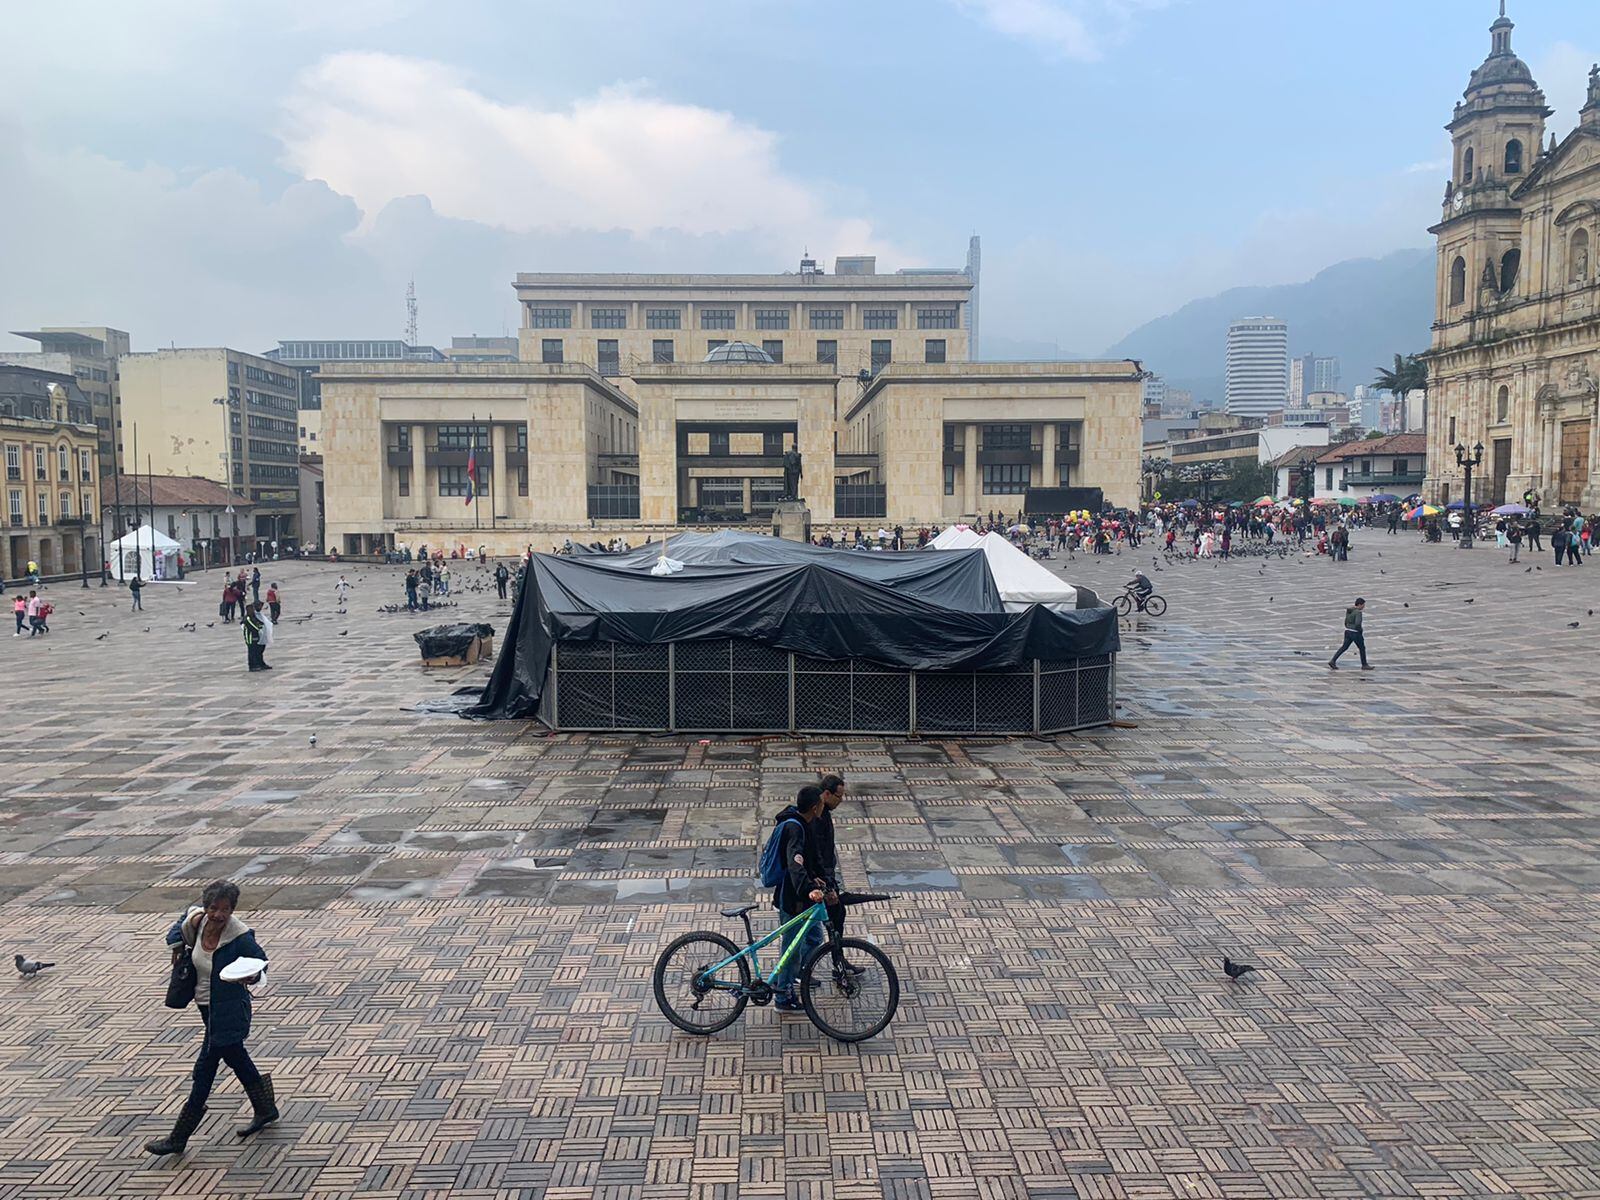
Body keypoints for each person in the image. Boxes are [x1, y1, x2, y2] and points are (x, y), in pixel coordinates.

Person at [145, 879, 278, 1157]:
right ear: (205, 906)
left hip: (229, 1011)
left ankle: (179, 1137)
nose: (218, 914)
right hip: (206, 1008)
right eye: (213, 908)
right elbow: (174, 933)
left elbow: (261, 963)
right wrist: (182, 938)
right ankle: (265, 1108)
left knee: (204, 1070)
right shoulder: (197, 920)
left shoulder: (240, 936)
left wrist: (252, 976)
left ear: (232, 910)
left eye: (225, 909)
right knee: (237, 1058)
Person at [769, 785, 829, 1012]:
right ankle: (782, 996)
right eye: (821, 803)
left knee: (814, 938)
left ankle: (787, 977)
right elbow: (795, 864)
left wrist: (817, 879)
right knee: (791, 950)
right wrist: (809, 889)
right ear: (814, 807)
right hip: (793, 899)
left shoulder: (803, 822)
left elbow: (808, 861)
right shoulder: (795, 828)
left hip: (801, 897)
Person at [813, 775, 864, 975]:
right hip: (817, 879)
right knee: (832, 918)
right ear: (826, 794)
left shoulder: (824, 813)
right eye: (839, 796)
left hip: (824, 876)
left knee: (836, 915)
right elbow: (816, 854)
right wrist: (826, 885)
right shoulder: (817, 816)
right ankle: (836, 963)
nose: (841, 801)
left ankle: (838, 961)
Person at [1328, 597, 1371, 671]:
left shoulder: (1350, 611)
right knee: (1362, 648)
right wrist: (1360, 630)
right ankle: (1364, 664)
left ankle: (1333, 660)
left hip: (1347, 631)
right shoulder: (1358, 612)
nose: (1364, 606)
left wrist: (1348, 627)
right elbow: (1358, 624)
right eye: (1363, 605)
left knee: (1344, 647)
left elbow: (1345, 621)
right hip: (1355, 633)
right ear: (1359, 605)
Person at [242, 601, 269, 671]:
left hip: (256, 636)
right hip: (250, 637)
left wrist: (262, 625)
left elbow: (259, 622)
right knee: (252, 651)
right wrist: (259, 627)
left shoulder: (253, 617)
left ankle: (260, 663)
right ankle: (252, 665)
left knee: (258, 650)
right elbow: (253, 626)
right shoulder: (247, 618)